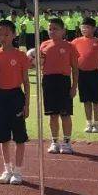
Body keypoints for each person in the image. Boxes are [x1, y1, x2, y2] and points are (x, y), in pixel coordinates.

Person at [0, 19, 31, 185]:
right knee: (3, 136)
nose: (2, 37)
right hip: (0, 96)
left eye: (6, 34)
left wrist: (27, 104)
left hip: (16, 96)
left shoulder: (20, 55)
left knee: (19, 137)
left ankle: (18, 172)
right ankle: (7, 169)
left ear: (14, 35)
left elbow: (26, 81)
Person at [38, 17, 77, 154]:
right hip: (48, 80)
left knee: (65, 114)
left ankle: (67, 143)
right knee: (52, 115)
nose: (52, 31)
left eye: (55, 29)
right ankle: (54, 142)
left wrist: (74, 86)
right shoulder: (43, 45)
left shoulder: (69, 46)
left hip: (63, 81)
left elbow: (75, 68)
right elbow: (38, 63)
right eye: (50, 29)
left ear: (63, 31)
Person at [73, 17, 98, 137]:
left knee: (97, 101)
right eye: (82, 27)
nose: (84, 29)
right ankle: (89, 123)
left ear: (94, 28)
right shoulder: (75, 42)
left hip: (96, 74)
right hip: (82, 74)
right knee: (86, 101)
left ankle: (96, 123)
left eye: (87, 27)